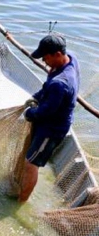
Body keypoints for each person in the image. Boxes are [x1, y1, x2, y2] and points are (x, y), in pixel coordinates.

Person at [19, 34, 80, 203]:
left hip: (51, 130)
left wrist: (28, 113)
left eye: (46, 58)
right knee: (31, 158)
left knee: (31, 164)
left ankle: (20, 202)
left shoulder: (60, 84)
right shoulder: (71, 58)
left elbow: (43, 112)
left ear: (58, 54)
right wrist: (35, 97)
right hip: (57, 114)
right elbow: (47, 92)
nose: (44, 62)